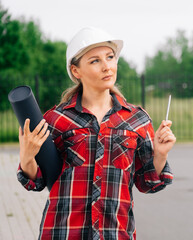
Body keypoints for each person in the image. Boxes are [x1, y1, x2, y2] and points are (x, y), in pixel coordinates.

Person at [17, 27, 176, 239]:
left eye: (110, 57)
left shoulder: (137, 120)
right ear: (76, 71)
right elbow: (35, 182)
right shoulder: (56, 120)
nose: (107, 67)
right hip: (63, 232)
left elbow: (147, 183)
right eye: (95, 61)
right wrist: (27, 156)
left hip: (116, 233)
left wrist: (161, 154)